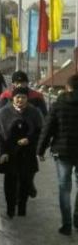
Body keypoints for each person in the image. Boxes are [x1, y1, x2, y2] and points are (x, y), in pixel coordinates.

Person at [38, 74, 78, 235]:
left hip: (62, 151)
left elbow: (48, 128)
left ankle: (66, 225)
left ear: (67, 87)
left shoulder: (58, 104)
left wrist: (40, 150)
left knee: (64, 188)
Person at [0, 87, 44, 218]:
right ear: (13, 98)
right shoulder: (4, 113)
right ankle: (10, 209)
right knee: (10, 182)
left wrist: (29, 139)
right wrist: (3, 152)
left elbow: (40, 132)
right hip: (10, 152)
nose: (20, 100)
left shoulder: (34, 112)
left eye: (23, 97)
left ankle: (22, 208)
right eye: (18, 97)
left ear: (27, 98)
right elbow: (0, 135)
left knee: (25, 181)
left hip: (27, 152)